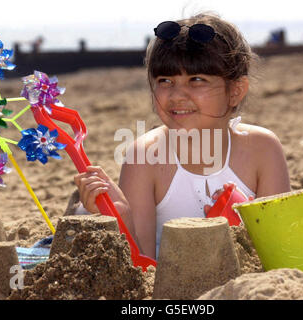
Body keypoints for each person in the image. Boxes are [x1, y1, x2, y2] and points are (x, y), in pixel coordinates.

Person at [74, 13, 291, 260]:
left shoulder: (262, 149)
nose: (177, 95)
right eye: (165, 80)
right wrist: (122, 215)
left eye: (197, 80)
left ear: (235, 91)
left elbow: (281, 253)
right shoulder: (144, 158)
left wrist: (245, 228)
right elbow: (143, 267)